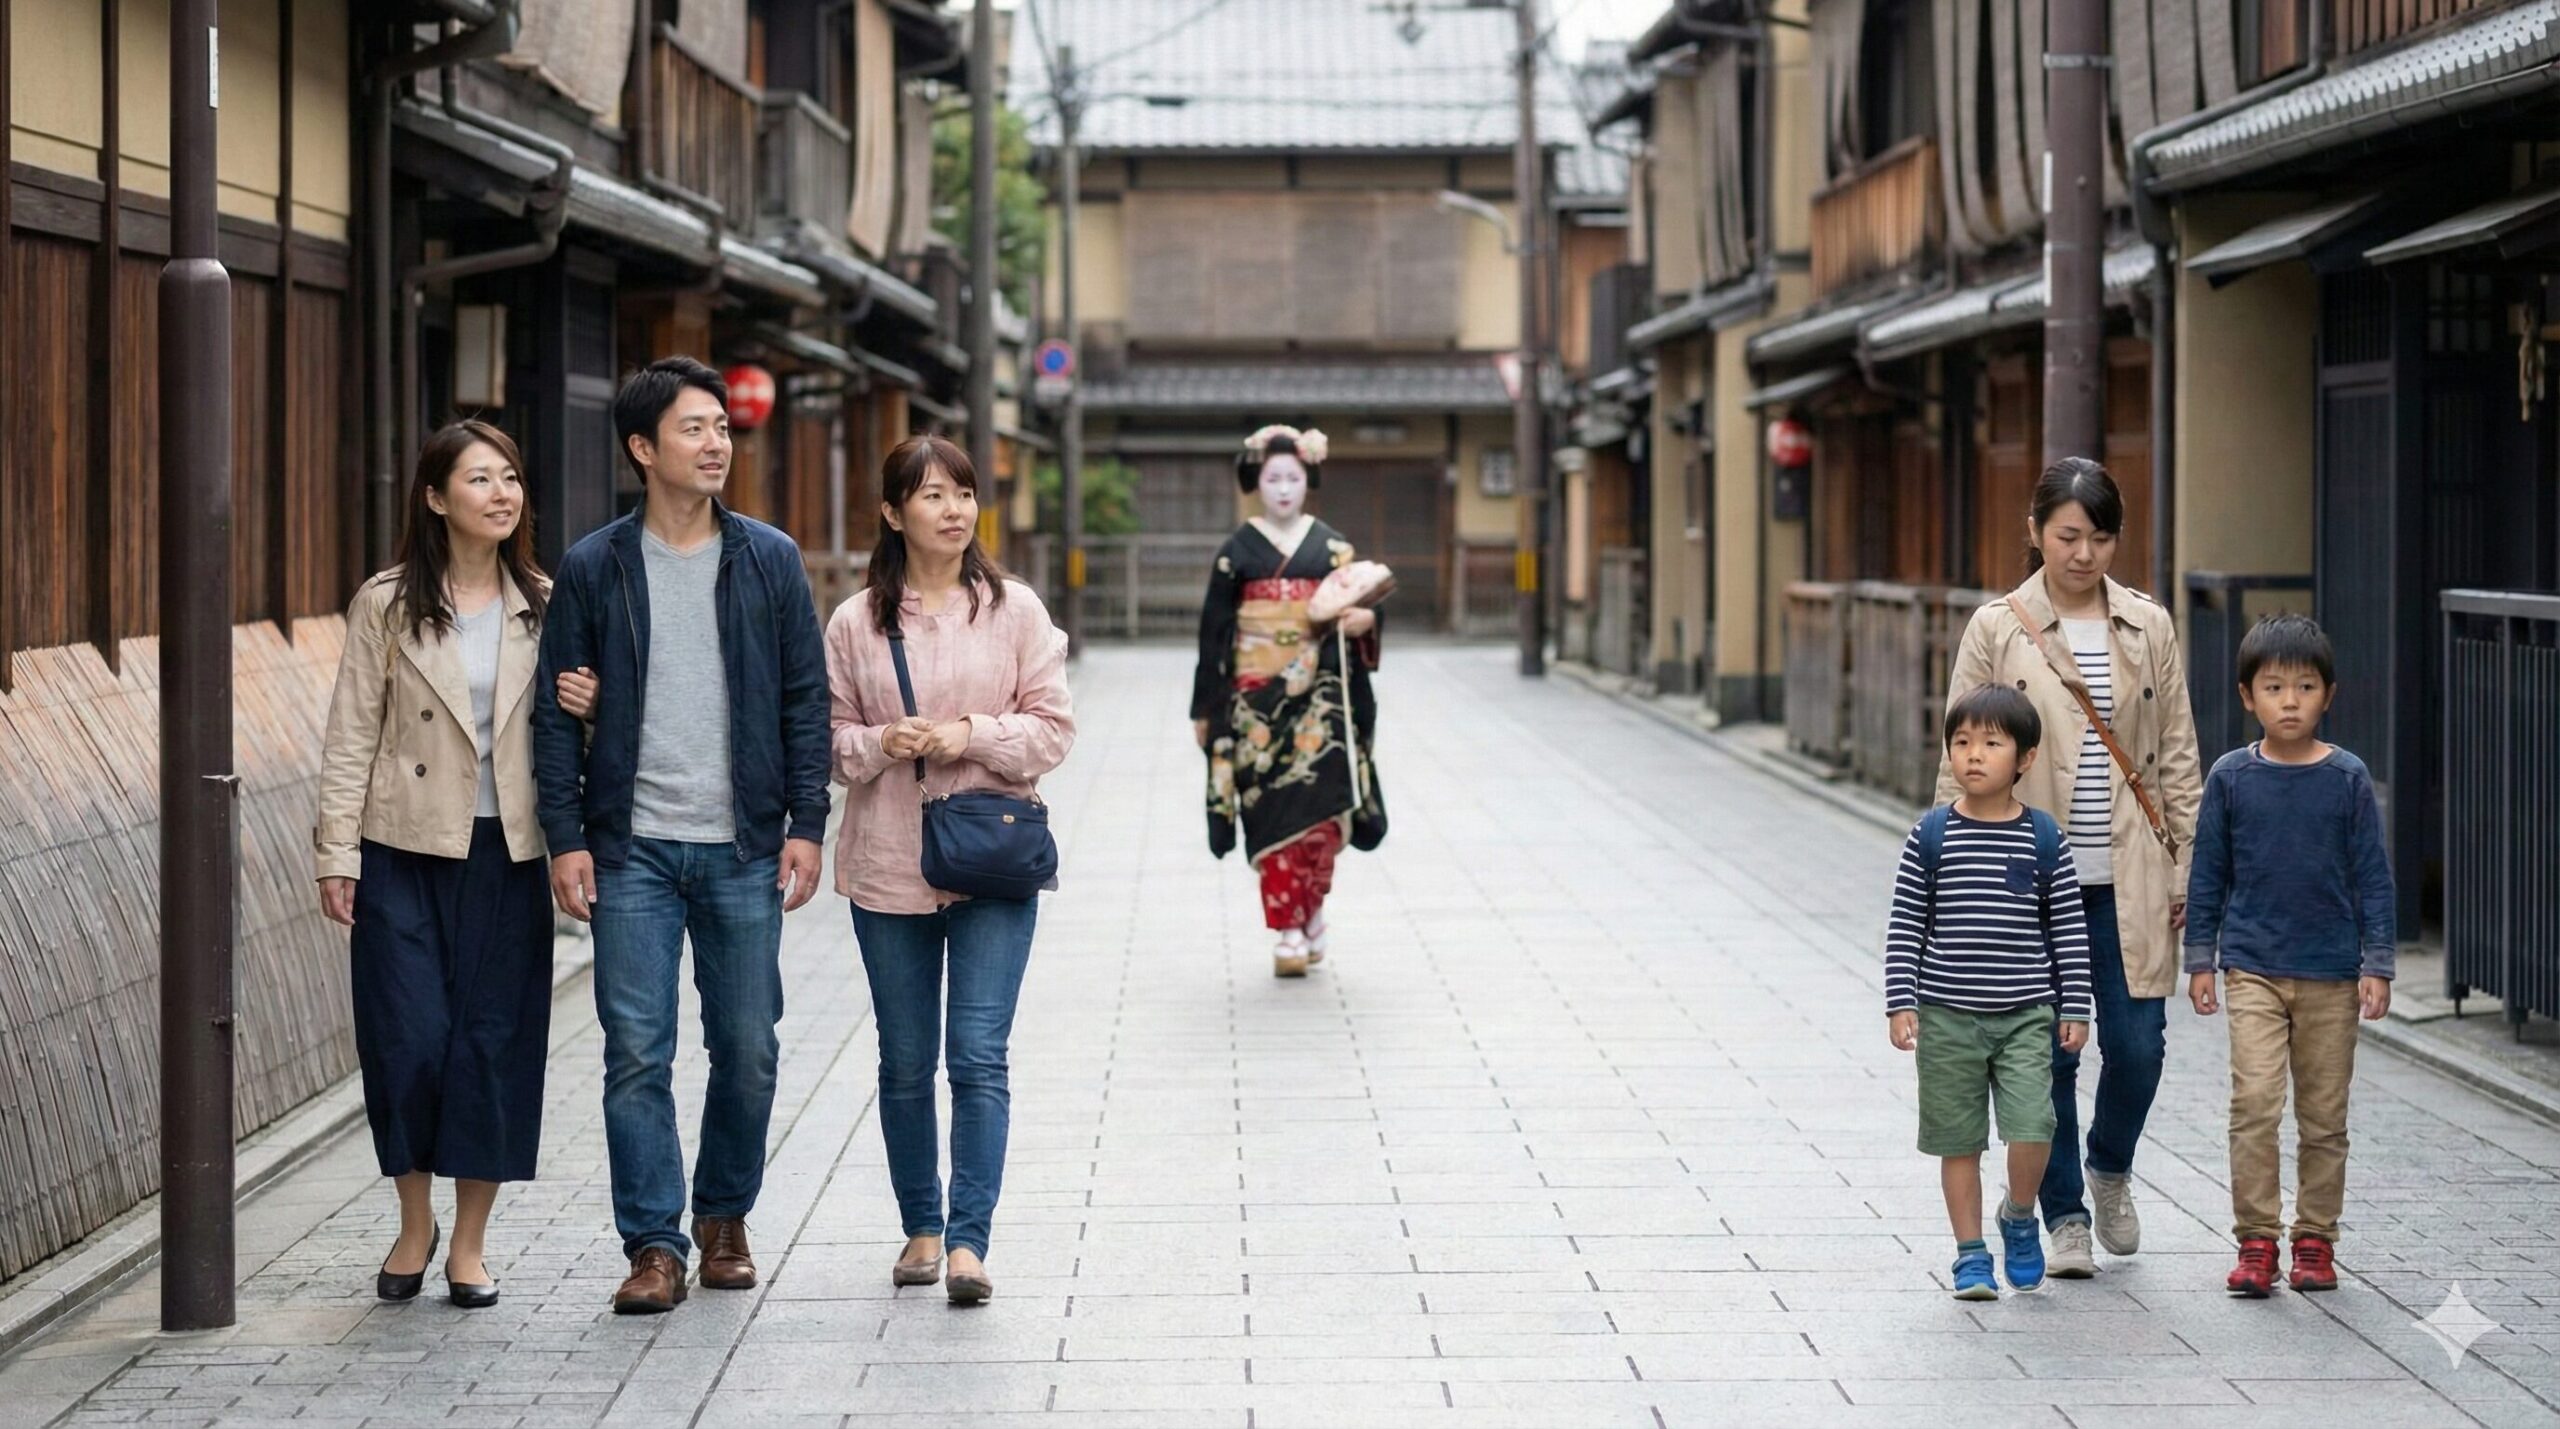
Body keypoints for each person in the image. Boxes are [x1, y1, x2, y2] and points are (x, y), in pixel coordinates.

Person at [531, 357, 832, 1315]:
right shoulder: (594, 565)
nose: (716, 445)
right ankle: (654, 1243)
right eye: (695, 429)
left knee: (747, 1043)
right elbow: (553, 710)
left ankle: (724, 1217)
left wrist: (808, 822)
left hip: (744, 841)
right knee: (637, 1050)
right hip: (632, 849)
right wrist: (566, 836)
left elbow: (803, 699)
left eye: (722, 429)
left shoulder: (769, 558)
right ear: (642, 448)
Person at [315, 420, 597, 1308]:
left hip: (506, 852)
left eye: (511, 476)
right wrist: (337, 849)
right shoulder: (387, 603)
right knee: (407, 1041)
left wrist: (589, 707)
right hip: (403, 849)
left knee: (492, 1044)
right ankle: (413, 1221)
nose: (503, 492)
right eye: (481, 478)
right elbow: (351, 732)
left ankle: (468, 1242)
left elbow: (576, 738)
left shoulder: (548, 603)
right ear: (437, 498)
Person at [1937, 456, 2202, 1279]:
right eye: (2068, 535)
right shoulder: (1997, 626)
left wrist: (2191, 866)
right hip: (2028, 880)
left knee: (2139, 1046)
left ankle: (2109, 1164)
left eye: (2101, 536)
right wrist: (1953, 867)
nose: (2085, 553)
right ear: (2037, 533)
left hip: (2131, 876)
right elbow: (1961, 752)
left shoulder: (2149, 624)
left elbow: (2179, 756)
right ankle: (2065, 1216)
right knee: (2044, 1055)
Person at [826, 435, 1073, 1305]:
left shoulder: (1017, 612)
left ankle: (969, 1241)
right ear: (894, 513)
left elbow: (1054, 728)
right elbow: (826, 738)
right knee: (903, 1059)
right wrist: (878, 743)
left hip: (994, 863)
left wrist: (971, 733)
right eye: (932, 495)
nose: (954, 509)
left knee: (977, 1054)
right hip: (888, 862)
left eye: (963, 493)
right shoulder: (856, 622)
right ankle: (920, 1227)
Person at [2182, 613, 2394, 1297]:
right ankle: (2255, 1238)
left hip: (2332, 972)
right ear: (2249, 696)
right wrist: (2200, 958)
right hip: (2252, 967)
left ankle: (2314, 1239)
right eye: (2274, 687)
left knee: (2325, 1115)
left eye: (2305, 686)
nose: (2291, 700)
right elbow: (2208, 872)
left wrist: (2377, 962)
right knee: (2254, 1101)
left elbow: (2373, 876)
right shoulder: (2231, 778)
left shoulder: (2349, 779)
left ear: (2329, 694)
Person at [1888, 685, 2094, 1300]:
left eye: (1991, 743)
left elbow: (2068, 929)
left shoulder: (2044, 839)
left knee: (2035, 1123)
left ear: (2024, 758)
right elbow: (1905, 925)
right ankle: (1970, 1254)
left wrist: (2075, 1004)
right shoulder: (1930, 836)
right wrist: (1902, 1000)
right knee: (1959, 1139)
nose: (1973, 755)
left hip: (2027, 1013)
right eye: (1962, 742)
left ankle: (2020, 1216)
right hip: (1947, 1014)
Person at [1190, 425, 1385, 978]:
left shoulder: (1332, 547)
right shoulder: (1236, 552)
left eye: (1292, 478)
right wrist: (1205, 707)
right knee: (1269, 812)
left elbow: (1366, 608)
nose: (1281, 489)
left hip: (1320, 698)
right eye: (1272, 478)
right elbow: (1214, 634)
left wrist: (1365, 619)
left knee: (1321, 816)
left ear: (1308, 481)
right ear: (1256, 481)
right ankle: (1288, 929)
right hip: (1253, 702)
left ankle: (1313, 908)